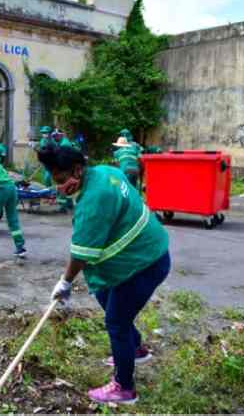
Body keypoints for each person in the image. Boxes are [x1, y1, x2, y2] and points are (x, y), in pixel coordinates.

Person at [38, 145, 170, 405]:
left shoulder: (93, 201)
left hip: (140, 265)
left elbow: (81, 253)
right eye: (55, 182)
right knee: (106, 298)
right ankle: (135, 350)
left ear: (78, 170)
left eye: (63, 180)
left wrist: (65, 282)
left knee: (116, 322)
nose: (60, 187)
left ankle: (124, 388)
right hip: (151, 253)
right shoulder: (105, 172)